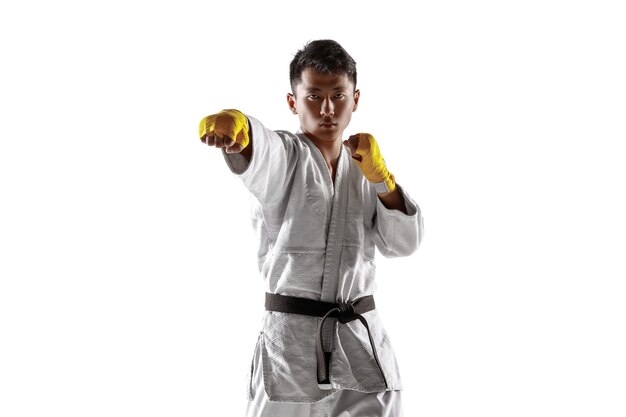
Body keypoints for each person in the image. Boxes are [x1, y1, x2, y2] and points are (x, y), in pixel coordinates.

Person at [198, 39, 423, 417]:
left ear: (356, 99)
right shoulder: (287, 156)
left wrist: (383, 180)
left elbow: (403, 244)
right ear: (293, 102)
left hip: (360, 336)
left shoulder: (367, 166)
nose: (328, 109)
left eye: (338, 95)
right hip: (292, 340)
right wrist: (243, 133)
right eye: (314, 96)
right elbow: (264, 152)